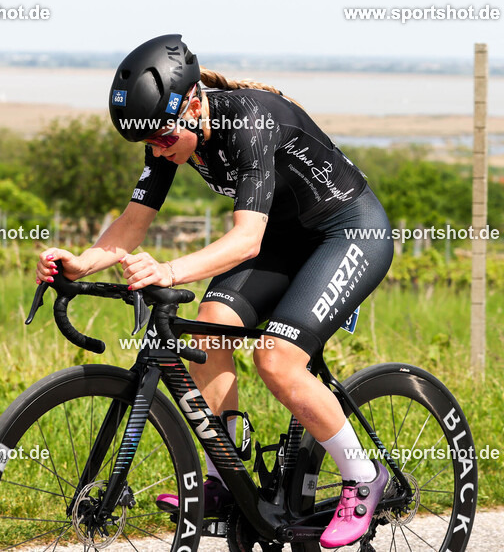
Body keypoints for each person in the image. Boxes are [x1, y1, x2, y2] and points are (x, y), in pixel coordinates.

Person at [35, 34, 394, 548]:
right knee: (208, 334)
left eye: (161, 136)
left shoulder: (247, 121)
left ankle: (363, 479)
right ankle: (228, 477)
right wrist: (83, 261)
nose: (157, 149)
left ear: (195, 103)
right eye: (148, 142)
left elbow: (246, 240)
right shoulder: (170, 137)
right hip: (283, 239)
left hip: (347, 233)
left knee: (276, 360)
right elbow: (133, 221)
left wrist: (170, 271)